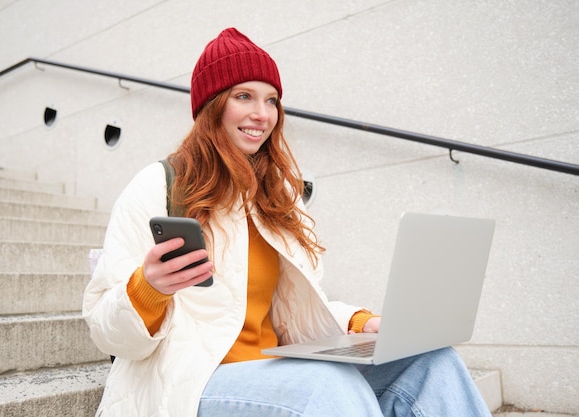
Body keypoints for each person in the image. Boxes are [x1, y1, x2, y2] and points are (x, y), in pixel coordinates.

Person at [83, 27, 492, 417]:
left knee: (429, 362)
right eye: (244, 96)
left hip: (276, 373)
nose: (262, 114)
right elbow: (106, 331)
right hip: (188, 384)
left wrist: (362, 324)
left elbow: (294, 312)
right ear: (212, 105)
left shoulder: (277, 197)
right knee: (324, 385)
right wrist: (149, 288)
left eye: (272, 100)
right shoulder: (159, 185)